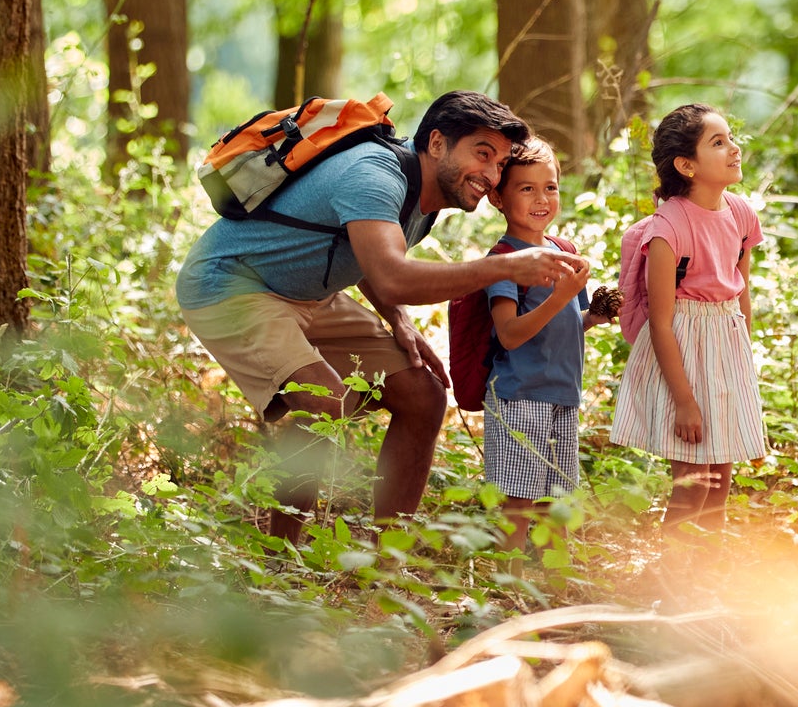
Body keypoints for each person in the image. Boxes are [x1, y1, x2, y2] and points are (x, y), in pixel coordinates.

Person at [176, 90, 590, 540]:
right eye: (482, 155)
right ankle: (280, 555)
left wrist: (398, 321)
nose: (491, 175)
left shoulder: (428, 198)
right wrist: (504, 266)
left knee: (424, 396)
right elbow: (392, 276)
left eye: (500, 164)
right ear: (436, 144)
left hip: (310, 294)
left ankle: (387, 557)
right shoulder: (375, 176)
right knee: (326, 401)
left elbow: (367, 258)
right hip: (231, 285)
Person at [610, 105, 766, 526]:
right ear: (686, 165)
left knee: (719, 486)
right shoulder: (668, 229)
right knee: (693, 486)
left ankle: (705, 585)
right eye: (718, 143)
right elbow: (661, 323)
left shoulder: (740, 213)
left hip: (727, 348)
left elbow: (741, 291)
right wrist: (684, 402)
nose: (733, 148)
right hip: (685, 351)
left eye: (730, 137)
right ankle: (673, 584)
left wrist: (742, 363)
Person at [480, 138, 617, 537]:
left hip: (562, 393)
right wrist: (560, 297)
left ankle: (554, 585)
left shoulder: (564, 252)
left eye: (550, 186)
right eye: (527, 188)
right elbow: (508, 335)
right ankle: (512, 579)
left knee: (555, 499)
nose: (542, 198)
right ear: (498, 198)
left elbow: (569, 320)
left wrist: (594, 315)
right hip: (520, 395)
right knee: (519, 501)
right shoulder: (504, 260)